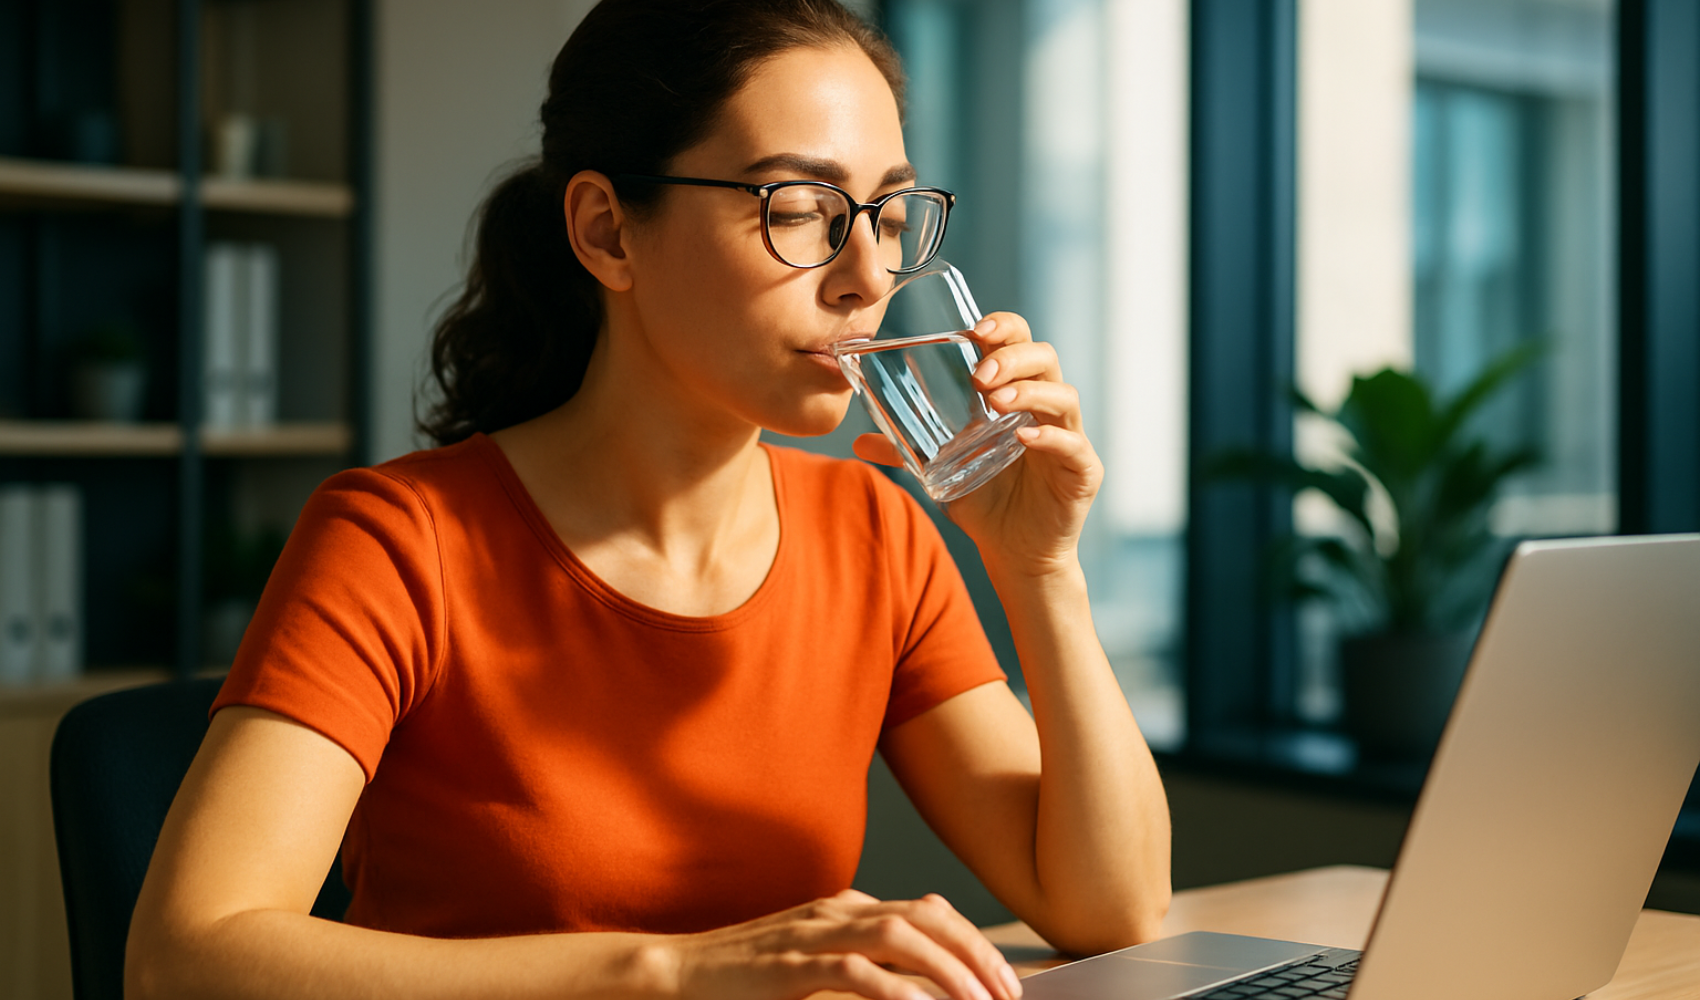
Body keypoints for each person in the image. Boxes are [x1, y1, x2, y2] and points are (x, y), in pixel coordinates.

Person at [127, 2, 1171, 998]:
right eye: (799, 211)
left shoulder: (876, 535)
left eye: (889, 215)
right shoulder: (400, 541)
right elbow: (184, 959)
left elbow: (1110, 908)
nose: (866, 273)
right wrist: (674, 973)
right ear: (608, 233)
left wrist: (1040, 570)